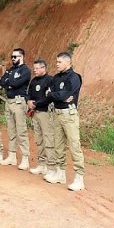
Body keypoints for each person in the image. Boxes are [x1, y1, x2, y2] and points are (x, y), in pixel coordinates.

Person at [45, 52, 85, 191]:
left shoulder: (74, 77)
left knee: (74, 145)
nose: (57, 64)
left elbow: (64, 94)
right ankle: (60, 173)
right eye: (56, 62)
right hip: (57, 113)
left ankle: (79, 178)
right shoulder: (56, 78)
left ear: (68, 62)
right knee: (58, 145)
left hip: (69, 114)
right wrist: (55, 95)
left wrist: (56, 95)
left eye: (59, 62)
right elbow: (50, 94)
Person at [0, 48, 32, 169]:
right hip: (9, 101)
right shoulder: (11, 69)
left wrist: (9, 81)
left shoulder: (25, 70)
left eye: (15, 57)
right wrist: (9, 82)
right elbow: (2, 82)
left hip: (19, 102)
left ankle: (25, 158)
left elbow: (15, 83)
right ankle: (12, 156)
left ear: (22, 57)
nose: (13, 59)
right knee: (11, 131)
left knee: (21, 131)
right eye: (12, 56)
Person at [27, 59, 54, 176]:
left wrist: (36, 103)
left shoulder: (50, 80)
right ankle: (42, 164)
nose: (35, 70)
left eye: (37, 68)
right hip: (35, 113)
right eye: (34, 68)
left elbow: (49, 97)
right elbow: (29, 93)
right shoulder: (34, 81)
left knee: (48, 139)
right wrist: (28, 101)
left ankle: (51, 165)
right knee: (39, 140)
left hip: (45, 113)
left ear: (44, 68)